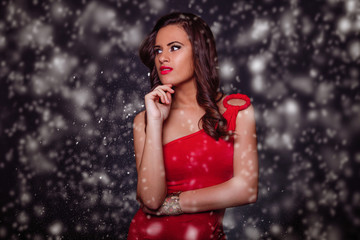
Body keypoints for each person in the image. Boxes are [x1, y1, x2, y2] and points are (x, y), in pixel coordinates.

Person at [127, 12, 258, 240]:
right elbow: (150, 200)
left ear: (199, 52)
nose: (162, 58)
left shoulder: (236, 110)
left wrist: (174, 204)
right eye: (158, 50)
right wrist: (156, 123)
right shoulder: (145, 120)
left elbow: (246, 189)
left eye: (174, 47)